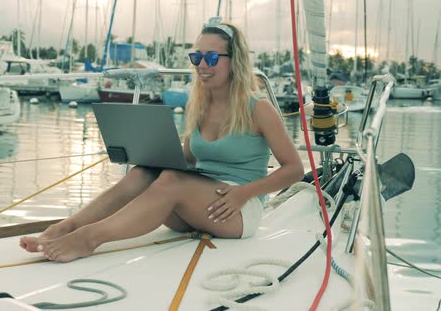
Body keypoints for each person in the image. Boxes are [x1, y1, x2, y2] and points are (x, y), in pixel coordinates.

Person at [19, 17, 304, 262]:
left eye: (212, 58)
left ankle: (89, 238)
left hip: (237, 210)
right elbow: (186, 161)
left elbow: (294, 169)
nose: (201, 65)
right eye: (196, 57)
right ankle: (65, 228)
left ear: (235, 62)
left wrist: (244, 193)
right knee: (146, 172)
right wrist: (147, 151)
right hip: (195, 206)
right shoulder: (200, 105)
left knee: (170, 181)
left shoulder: (259, 107)